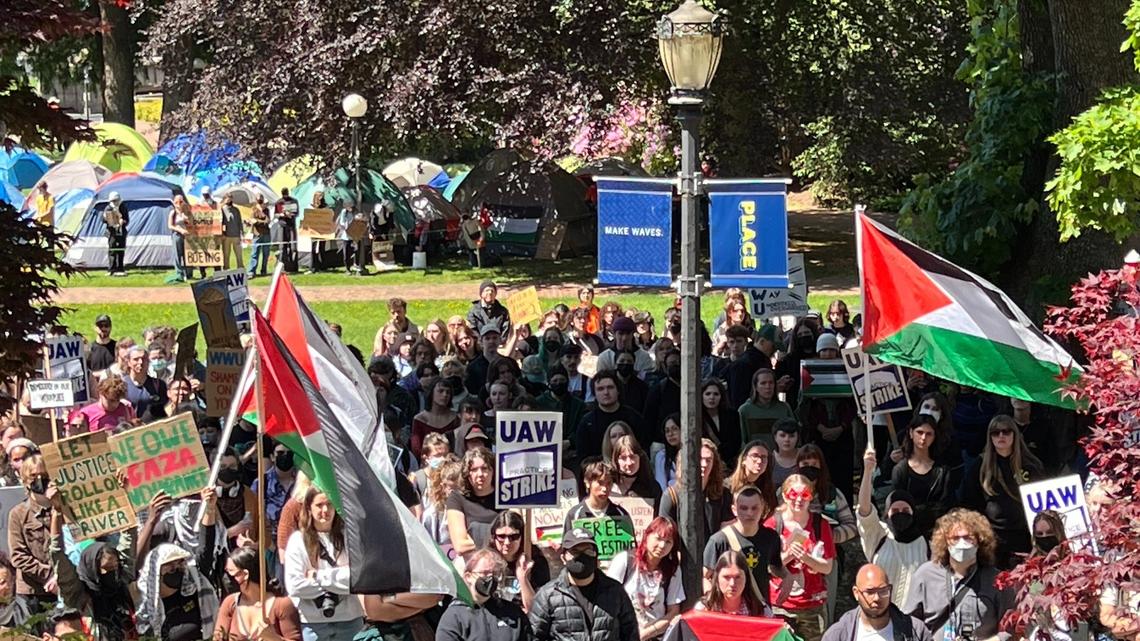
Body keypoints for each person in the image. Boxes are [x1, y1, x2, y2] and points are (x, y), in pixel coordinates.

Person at [902, 509, 1014, 641]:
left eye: (968, 537)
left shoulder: (997, 580)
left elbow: (1010, 627)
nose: (962, 543)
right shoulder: (925, 575)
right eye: (955, 538)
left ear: (980, 541)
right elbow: (910, 625)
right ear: (945, 541)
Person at [958, 414, 1043, 569]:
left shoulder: (1031, 464)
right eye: (995, 433)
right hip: (993, 539)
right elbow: (969, 503)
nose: (1001, 436)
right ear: (990, 437)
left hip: (1025, 537)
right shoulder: (980, 466)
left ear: (1015, 434)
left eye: (1006, 431)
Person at [529, 527, 638, 641]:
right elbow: (534, 636)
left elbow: (631, 634)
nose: (582, 556)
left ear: (596, 557)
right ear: (563, 558)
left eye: (588, 551)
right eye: (575, 552)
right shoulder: (547, 596)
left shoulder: (615, 592)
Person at [284, 487, 364, 641]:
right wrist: (340, 580)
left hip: (350, 619)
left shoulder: (350, 537)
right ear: (309, 508)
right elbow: (295, 586)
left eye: (329, 504)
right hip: (314, 623)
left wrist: (318, 577)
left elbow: (357, 578)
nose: (325, 510)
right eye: (319, 505)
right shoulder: (297, 541)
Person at [766, 474, 835, 641]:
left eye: (804, 495)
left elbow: (827, 567)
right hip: (780, 605)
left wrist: (805, 557)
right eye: (792, 495)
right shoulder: (772, 525)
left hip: (812, 605)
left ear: (811, 497)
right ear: (784, 496)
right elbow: (766, 567)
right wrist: (789, 554)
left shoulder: (820, 524)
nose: (798, 500)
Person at [856, 450, 929, 606]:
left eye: (905, 511)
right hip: (878, 612)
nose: (900, 514)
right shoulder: (878, 534)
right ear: (886, 514)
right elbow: (864, 510)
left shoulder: (926, 543)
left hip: (914, 619)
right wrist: (868, 471)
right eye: (895, 511)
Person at [703, 486, 787, 615]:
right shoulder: (719, 540)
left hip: (759, 609)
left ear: (763, 508)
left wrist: (789, 577)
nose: (749, 513)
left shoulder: (771, 537)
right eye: (744, 508)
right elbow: (704, 576)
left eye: (754, 508)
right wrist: (712, 599)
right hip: (727, 612)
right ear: (734, 510)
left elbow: (776, 567)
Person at [605, 517, 684, 640]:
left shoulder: (673, 570)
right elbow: (607, 601)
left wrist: (646, 634)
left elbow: (673, 612)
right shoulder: (625, 561)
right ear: (646, 536)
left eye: (668, 542)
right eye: (658, 538)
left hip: (656, 636)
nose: (662, 545)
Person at [437, 548, 531, 641]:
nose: (490, 578)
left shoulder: (513, 613)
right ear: (468, 577)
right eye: (485, 573)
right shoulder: (454, 617)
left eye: (495, 573)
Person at [821, 564, 932, 641]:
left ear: (890, 590)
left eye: (883, 591)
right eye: (870, 592)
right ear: (856, 593)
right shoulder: (838, 635)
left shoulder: (915, 631)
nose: (877, 598)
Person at [216, 546, 302, 641]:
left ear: (245, 574)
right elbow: (218, 637)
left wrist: (274, 638)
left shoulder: (282, 605)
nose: (226, 578)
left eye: (230, 572)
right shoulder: (230, 603)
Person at [658, 439, 733, 541]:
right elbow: (664, 533)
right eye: (700, 459)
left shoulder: (724, 494)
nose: (704, 464)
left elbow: (726, 532)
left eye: (708, 460)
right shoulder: (671, 496)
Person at [890, 415, 953, 539]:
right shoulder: (900, 470)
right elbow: (898, 506)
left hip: (936, 534)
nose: (923, 438)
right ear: (911, 433)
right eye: (920, 432)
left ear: (934, 437)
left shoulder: (942, 470)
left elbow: (946, 505)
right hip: (907, 535)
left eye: (929, 434)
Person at [7, 453, 53, 612]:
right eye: (34, 475)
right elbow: (18, 556)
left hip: (64, 588)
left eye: (44, 475)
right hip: (32, 594)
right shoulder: (18, 514)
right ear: (25, 479)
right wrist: (49, 574)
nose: (39, 479)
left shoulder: (63, 509)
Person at [576, 372, 649, 460]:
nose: (606, 392)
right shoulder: (587, 422)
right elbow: (583, 458)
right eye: (600, 389)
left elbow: (643, 450)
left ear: (618, 390)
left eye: (610, 387)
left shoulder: (633, 417)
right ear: (594, 393)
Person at [487, 510, 550, 612]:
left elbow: (537, 610)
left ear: (522, 537)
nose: (507, 542)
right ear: (493, 537)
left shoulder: (536, 562)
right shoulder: (486, 562)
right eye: (501, 536)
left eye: (513, 537)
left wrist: (522, 577)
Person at [447, 448, 501, 557]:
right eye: (474, 469)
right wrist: (499, 540)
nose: (480, 474)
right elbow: (460, 546)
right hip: (472, 563)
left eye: (485, 468)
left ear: (493, 471)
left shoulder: (505, 496)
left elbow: (516, 536)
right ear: (467, 473)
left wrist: (475, 538)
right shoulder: (456, 498)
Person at [563, 461, 631, 534]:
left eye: (609, 483)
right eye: (600, 483)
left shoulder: (621, 514)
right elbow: (567, 544)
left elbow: (630, 543)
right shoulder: (574, 515)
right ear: (587, 483)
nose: (604, 488)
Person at [737, 369, 795, 448]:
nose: (768, 387)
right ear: (756, 387)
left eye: (771, 383)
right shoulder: (745, 410)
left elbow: (794, 435)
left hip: (780, 456)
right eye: (763, 383)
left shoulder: (784, 408)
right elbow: (741, 441)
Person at [696, 550, 763, 616]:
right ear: (717, 578)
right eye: (726, 577)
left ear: (746, 578)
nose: (732, 583)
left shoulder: (761, 612)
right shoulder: (702, 610)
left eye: (737, 577)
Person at [725, 440, 777, 519]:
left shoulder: (768, 488)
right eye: (755, 456)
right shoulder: (727, 487)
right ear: (743, 460)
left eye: (763, 457)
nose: (759, 461)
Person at [411, 379, 460, 458]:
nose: (445, 395)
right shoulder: (420, 419)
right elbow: (416, 449)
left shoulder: (456, 418)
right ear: (431, 393)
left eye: (448, 392)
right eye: (440, 391)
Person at [700, 378, 742, 470]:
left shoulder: (732, 415)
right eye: (708, 394)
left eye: (716, 394)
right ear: (701, 396)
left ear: (721, 396)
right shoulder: (697, 417)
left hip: (728, 464)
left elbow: (736, 441)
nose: (712, 397)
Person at [610, 435, 663, 503]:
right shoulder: (609, 484)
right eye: (623, 458)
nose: (629, 463)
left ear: (640, 458)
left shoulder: (652, 487)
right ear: (616, 460)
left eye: (632, 457)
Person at [652, 414, 681, 490]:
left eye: (674, 429)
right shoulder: (662, 456)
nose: (670, 434)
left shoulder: (695, 453)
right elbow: (661, 486)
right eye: (667, 431)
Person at [103, 191, 129, 276]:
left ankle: (120, 268)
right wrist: (106, 218)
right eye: (113, 200)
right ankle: (111, 269)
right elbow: (103, 220)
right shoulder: (108, 208)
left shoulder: (123, 207)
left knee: (121, 249)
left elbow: (127, 220)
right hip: (112, 233)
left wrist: (123, 221)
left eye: (116, 200)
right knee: (112, 250)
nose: (115, 202)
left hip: (121, 232)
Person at [771, 420, 802, 488]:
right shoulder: (768, 459)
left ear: (798, 438)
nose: (787, 439)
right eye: (782, 435)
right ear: (775, 437)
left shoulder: (805, 456)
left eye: (792, 436)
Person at [248, 193, 272, 277]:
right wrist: (260, 222)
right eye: (259, 199)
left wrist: (257, 221)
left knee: (266, 253)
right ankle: (251, 271)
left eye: (261, 199)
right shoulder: (253, 209)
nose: (261, 202)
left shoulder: (267, 210)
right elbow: (251, 220)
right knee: (254, 253)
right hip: (256, 234)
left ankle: (264, 270)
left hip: (266, 234)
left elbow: (268, 221)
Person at [169, 194, 192, 281]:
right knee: (177, 255)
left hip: (187, 236)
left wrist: (187, 220)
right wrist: (179, 230)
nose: (178, 203)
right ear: (174, 203)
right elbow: (170, 225)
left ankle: (189, 274)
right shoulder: (173, 213)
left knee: (187, 255)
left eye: (181, 201)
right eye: (176, 202)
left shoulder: (187, 212)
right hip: (177, 235)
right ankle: (179, 274)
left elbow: (192, 223)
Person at [220, 193, 244, 270]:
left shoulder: (236, 210)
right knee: (226, 254)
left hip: (236, 235)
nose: (229, 200)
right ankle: (226, 270)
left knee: (239, 254)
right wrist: (223, 233)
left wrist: (241, 232)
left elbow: (239, 221)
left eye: (230, 198)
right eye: (228, 198)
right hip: (226, 236)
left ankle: (240, 269)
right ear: (225, 199)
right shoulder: (222, 209)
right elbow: (221, 222)